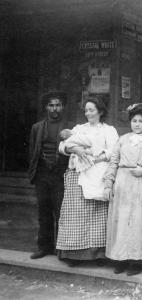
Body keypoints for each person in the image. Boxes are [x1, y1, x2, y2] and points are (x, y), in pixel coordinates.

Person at [56, 97, 119, 266]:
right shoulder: (78, 128)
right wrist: (74, 148)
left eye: (92, 110)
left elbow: (113, 151)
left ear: (100, 111)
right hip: (78, 175)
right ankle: (74, 254)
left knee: (97, 215)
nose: (88, 113)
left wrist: (94, 158)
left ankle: (98, 255)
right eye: (86, 110)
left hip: (98, 173)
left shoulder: (108, 130)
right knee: (75, 214)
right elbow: (62, 146)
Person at [103, 104, 142, 275]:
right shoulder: (122, 139)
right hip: (122, 183)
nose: (137, 124)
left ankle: (137, 259)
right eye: (134, 121)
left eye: (141, 121)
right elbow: (113, 161)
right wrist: (108, 183)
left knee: (139, 221)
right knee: (121, 220)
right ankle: (121, 258)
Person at [29, 90, 70, 259]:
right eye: (51, 105)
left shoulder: (70, 127)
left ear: (62, 107)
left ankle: (61, 249)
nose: (55, 108)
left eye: (58, 105)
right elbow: (32, 151)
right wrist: (34, 173)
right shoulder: (37, 127)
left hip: (61, 175)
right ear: (46, 107)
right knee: (43, 212)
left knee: (61, 212)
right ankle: (44, 247)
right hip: (42, 175)